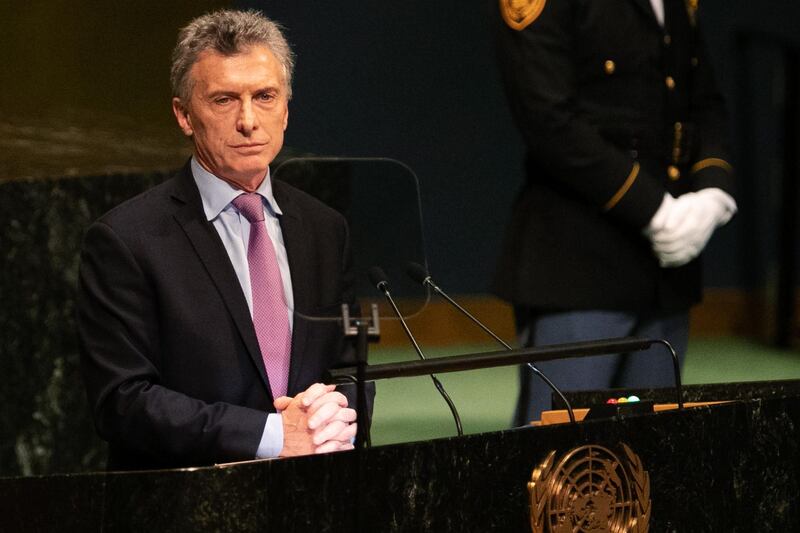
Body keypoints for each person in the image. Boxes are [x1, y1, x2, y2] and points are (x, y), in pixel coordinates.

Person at [78, 9, 361, 469]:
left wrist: (335, 416)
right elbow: (122, 401)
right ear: (184, 115)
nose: (249, 121)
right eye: (225, 100)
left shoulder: (325, 229)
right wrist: (269, 436)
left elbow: (351, 367)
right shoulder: (126, 240)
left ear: (287, 109)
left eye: (265, 96)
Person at [492, 0, 738, 425]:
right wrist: (655, 211)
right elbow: (548, 120)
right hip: (580, 261)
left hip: (667, 268)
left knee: (654, 458)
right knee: (560, 463)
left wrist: (713, 193)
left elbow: (704, 101)